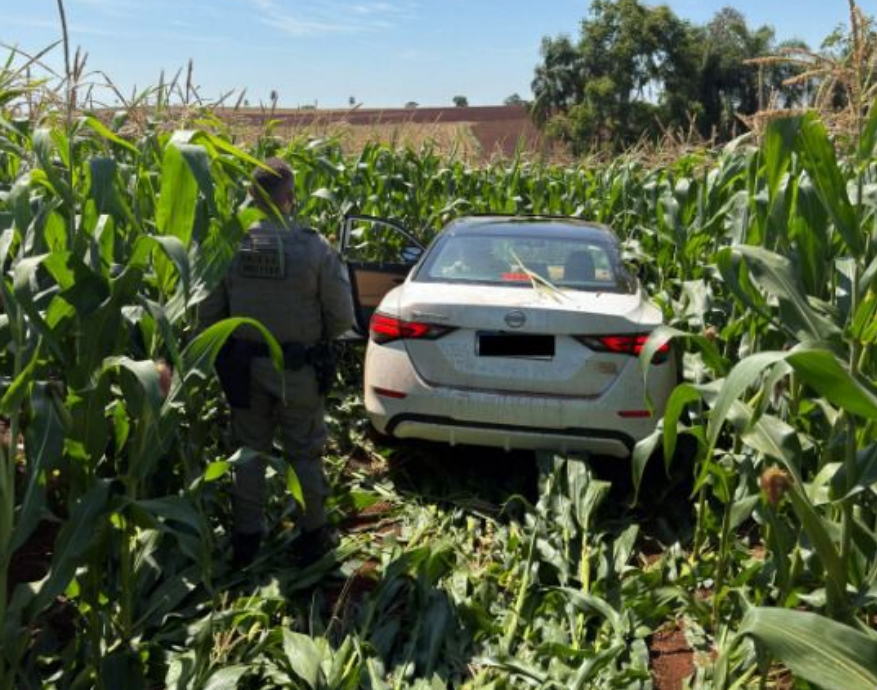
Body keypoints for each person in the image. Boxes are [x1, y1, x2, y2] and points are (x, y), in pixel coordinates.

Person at [198, 158, 355, 567]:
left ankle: (247, 539)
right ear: (288, 197)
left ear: (252, 196)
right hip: (298, 370)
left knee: (248, 452)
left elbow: (208, 313)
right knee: (304, 451)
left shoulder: (229, 244)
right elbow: (341, 319)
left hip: (245, 369)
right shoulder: (314, 247)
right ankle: (312, 535)